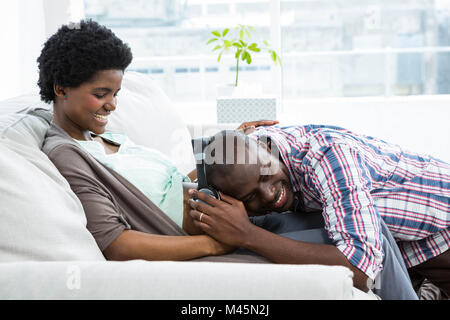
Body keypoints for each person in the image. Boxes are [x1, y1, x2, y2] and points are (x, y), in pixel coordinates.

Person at [38, 19, 277, 264]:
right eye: (100, 95)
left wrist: (229, 144)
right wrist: (216, 245)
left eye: (115, 94)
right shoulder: (67, 155)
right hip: (225, 235)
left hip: (239, 213)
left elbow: (170, 190)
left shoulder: (107, 137)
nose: (112, 105)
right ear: (61, 89)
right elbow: (117, 244)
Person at [187, 125, 449, 299]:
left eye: (266, 172)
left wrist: (247, 234)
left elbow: (361, 268)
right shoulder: (250, 153)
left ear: (267, 148)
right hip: (406, 245)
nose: (268, 194)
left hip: (441, 230)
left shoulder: (329, 156)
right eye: (250, 196)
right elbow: (211, 166)